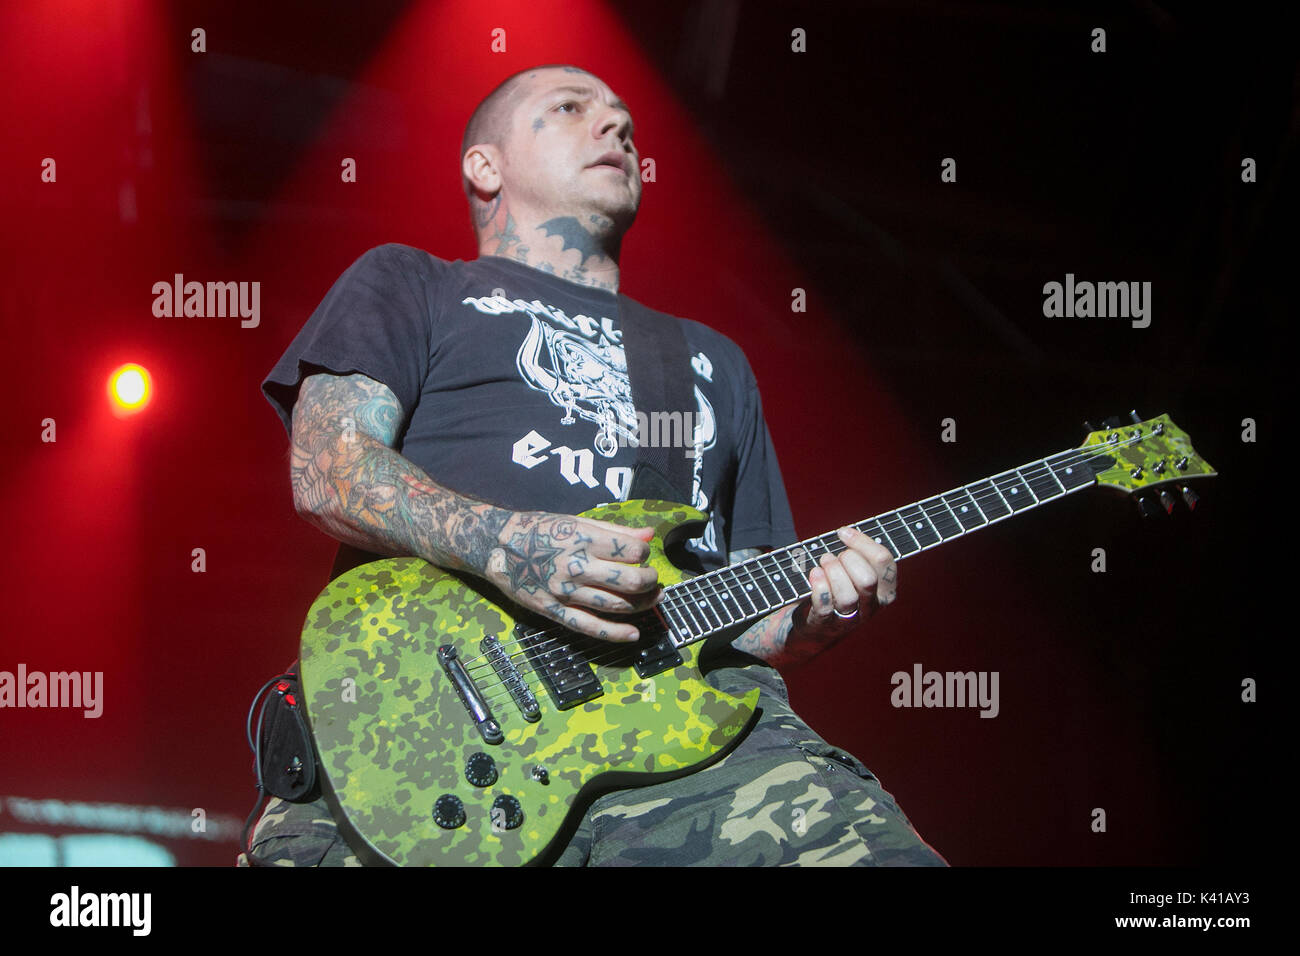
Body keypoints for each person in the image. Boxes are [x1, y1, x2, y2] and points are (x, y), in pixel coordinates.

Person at [242, 63, 945, 866]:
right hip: (430, 736)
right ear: (485, 164)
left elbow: (752, 613)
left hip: (691, 754)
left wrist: (819, 613)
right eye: (571, 108)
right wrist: (512, 548)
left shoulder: (711, 360)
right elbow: (328, 469)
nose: (616, 129)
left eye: (627, 122)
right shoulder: (412, 282)